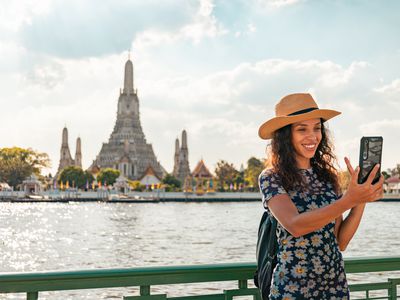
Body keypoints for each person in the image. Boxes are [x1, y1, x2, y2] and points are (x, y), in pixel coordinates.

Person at [257, 93, 384, 300]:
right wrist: (349, 199)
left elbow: (340, 241)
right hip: (292, 289)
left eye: (317, 128)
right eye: (302, 129)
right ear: (284, 135)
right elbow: (295, 225)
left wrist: (361, 198)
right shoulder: (271, 177)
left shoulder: (328, 177)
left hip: (334, 287)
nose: (313, 136)